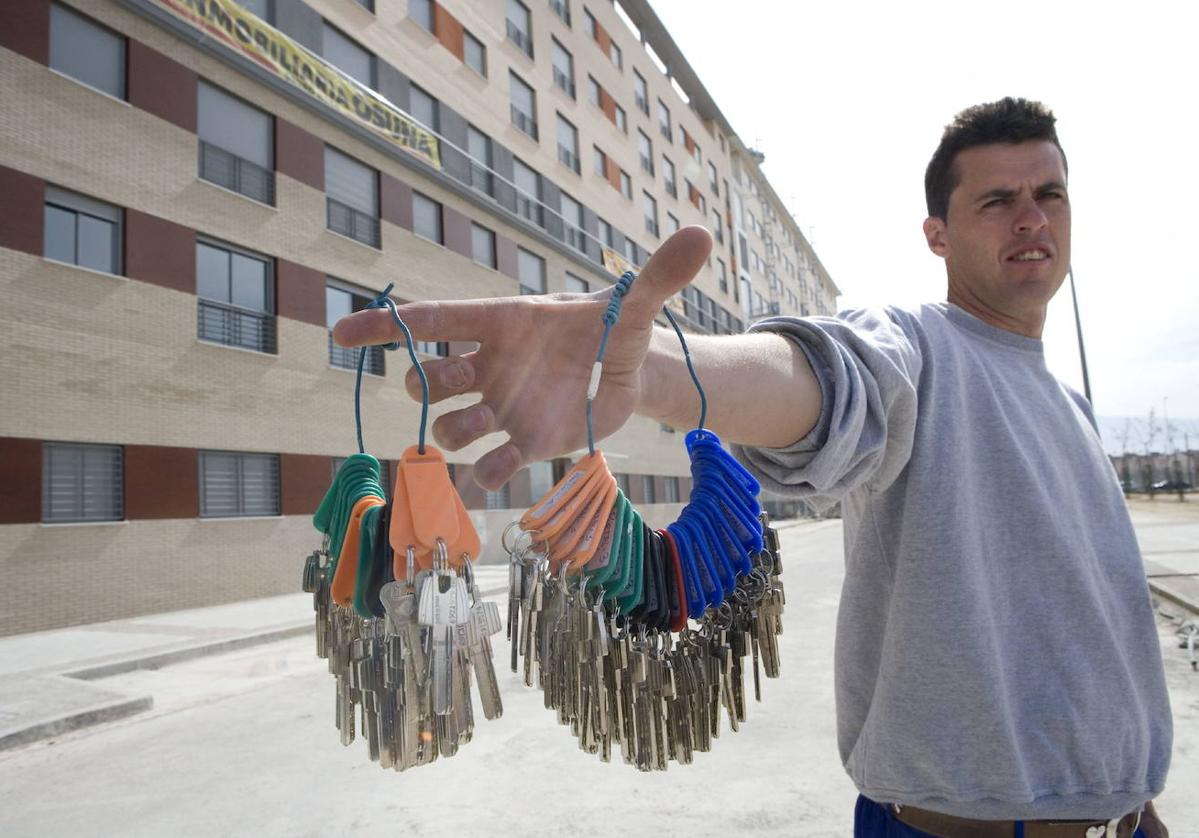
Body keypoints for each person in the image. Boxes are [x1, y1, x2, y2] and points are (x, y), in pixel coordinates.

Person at [334, 98, 1171, 837]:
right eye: (998, 199)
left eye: (1048, 195)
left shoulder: (1074, 407)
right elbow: (826, 381)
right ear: (937, 234)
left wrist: (1136, 800)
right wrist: (659, 371)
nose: (1031, 218)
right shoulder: (917, 347)